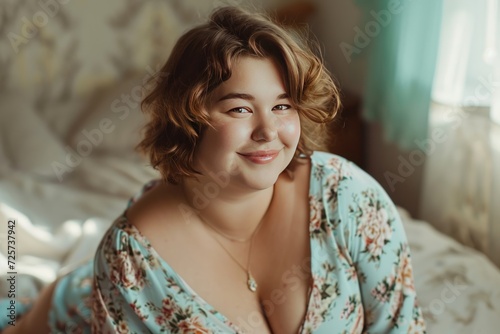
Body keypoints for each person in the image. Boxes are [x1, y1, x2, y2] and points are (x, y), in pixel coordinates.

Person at [1, 5, 426, 334]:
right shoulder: (132, 260)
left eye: (282, 106)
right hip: (72, 314)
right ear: (189, 122)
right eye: (240, 108)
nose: (268, 131)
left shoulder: (347, 196)